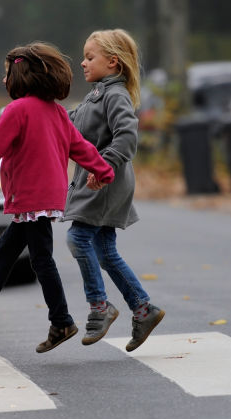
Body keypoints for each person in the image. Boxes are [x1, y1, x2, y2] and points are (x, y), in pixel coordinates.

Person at [0, 42, 115, 353]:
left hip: (30, 197)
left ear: (21, 76)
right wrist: (103, 170)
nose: (4, 80)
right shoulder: (57, 112)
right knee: (8, 248)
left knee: (41, 259)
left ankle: (62, 321)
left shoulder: (17, 111)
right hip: (45, 196)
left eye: (7, 73)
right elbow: (81, 147)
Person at [64, 29, 165, 352]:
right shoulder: (98, 93)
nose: (82, 62)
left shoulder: (114, 94)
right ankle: (143, 309)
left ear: (113, 62)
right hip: (103, 180)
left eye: (89, 57)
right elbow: (72, 125)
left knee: (78, 238)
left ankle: (99, 306)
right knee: (105, 252)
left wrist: (102, 166)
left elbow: (127, 136)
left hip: (105, 181)